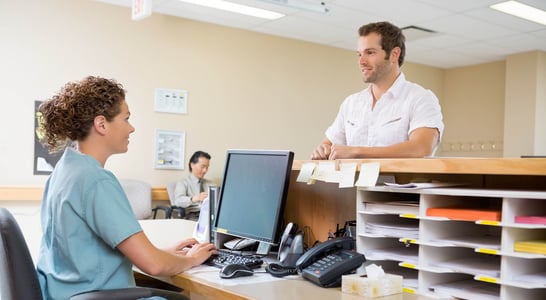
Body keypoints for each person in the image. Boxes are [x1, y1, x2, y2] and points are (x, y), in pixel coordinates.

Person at [36, 76, 216, 300]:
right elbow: (154, 266)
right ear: (101, 124)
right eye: (126, 118)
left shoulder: (65, 170)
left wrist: (165, 254)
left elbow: (90, 251)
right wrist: (192, 259)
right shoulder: (96, 181)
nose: (131, 128)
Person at [311, 21, 444, 160]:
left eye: (370, 52)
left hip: (399, 182)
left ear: (394, 54)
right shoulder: (351, 103)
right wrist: (322, 150)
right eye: (359, 54)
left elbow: (421, 148)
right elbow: (328, 144)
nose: (361, 61)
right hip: (352, 182)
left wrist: (357, 152)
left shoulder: (420, 98)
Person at [173, 150, 213, 221]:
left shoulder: (210, 184)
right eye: (202, 167)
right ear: (192, 165)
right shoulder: (183, 182)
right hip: (193, 215)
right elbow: (178, 201)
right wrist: (193, 199)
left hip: (210, 215)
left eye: (207, 167)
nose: (205, 171)